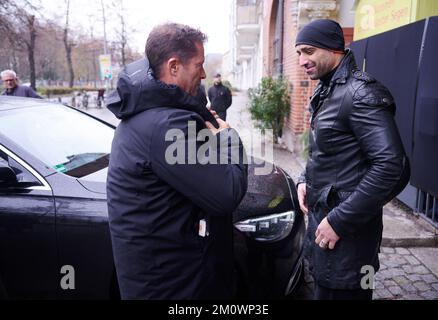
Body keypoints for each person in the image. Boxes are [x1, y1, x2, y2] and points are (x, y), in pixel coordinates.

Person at [106, 23, 248, 300]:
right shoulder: (166, 124)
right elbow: (227, 192)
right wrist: (228, 136)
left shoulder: (151, 113)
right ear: (173, 67)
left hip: (161, 276)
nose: (204, 73)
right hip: (171, 285)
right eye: (199, 64)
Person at [295, 19, 410, 300]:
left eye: (308, 51)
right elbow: (328, 150)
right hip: (326, 228)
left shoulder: (361, 93)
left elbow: (393, 167)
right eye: (298, 53)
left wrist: (340, 221)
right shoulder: (327, 89)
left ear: (334, 49)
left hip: (348, 239)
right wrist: (303, 179)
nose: (301, 60)